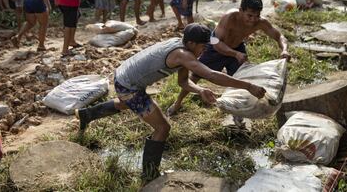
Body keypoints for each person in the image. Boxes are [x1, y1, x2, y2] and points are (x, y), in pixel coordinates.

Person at [75, 23, 266, 182]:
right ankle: (149, 177)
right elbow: (209, 74)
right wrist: (247, 86)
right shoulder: (183, 55)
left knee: (126, 104)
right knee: (163, 128)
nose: (205, 49)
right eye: (203, 46)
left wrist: (199, 90)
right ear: (191, 43)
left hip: (124, 76)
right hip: (128, 85)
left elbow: (183, 81)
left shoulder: (183, 49)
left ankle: (86, 115)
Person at [167, 0, 291, 116]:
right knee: (195, 76)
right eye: (249, 15)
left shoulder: (260, 22)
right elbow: (216, 43)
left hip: (237, 48)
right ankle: (178, 102)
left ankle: (239, 113)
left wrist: (284, 50)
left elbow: (279, 36)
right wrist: (235, 54)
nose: (253, 20)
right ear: (241, 10)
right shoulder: (230, 17)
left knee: (242, 80)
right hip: (215, 47)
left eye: (256, 16)